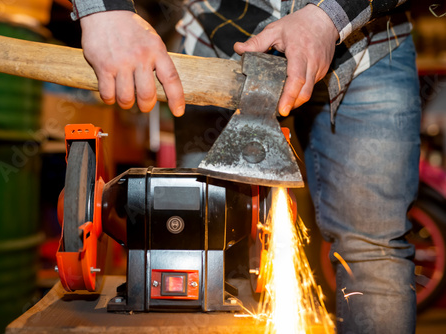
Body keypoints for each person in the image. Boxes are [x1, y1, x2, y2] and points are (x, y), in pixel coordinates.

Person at [70, 1, 420, 333]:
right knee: (202, 240)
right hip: (217, 48)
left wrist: (329, 16)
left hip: (367, 47)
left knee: (375, 253)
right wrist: (104, 9)